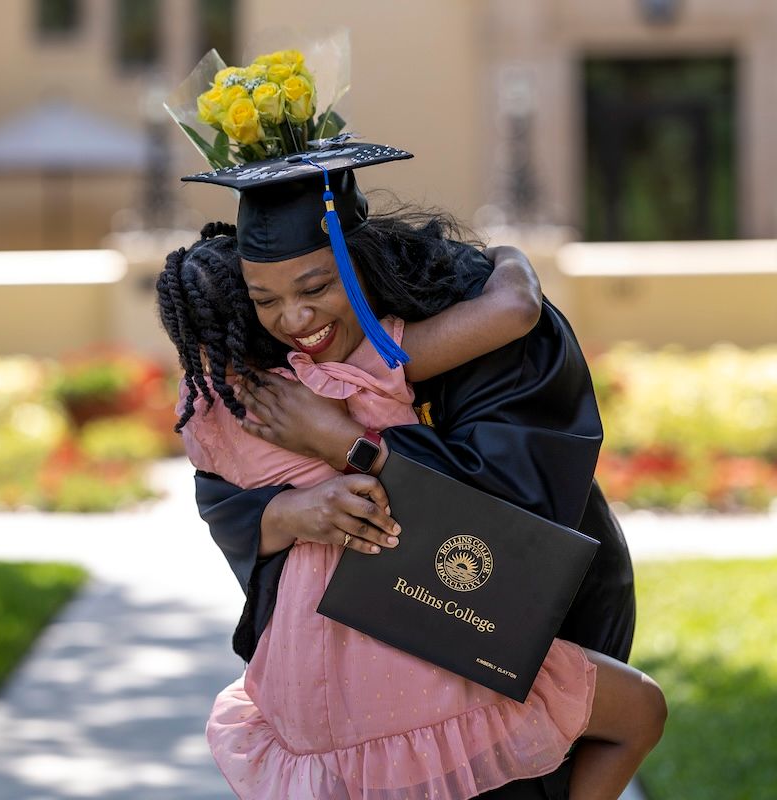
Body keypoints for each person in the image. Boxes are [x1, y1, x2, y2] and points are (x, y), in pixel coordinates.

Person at [177, 143, 661, 799]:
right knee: (637, 713)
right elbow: (515, 308)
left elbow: (519, 494)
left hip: (319, 673)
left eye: (316, 287)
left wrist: (328, 452)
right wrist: (509, 258)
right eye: (265, 300)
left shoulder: (224, 404)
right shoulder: (361, 367)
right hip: (427, 636)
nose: (296, 320)